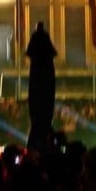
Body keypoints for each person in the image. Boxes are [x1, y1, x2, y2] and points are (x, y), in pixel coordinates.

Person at [25, 21, 57, 151]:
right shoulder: (44, 38)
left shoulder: (36, 38)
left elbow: (29, 52)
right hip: (44, 77)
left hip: (38, 77)